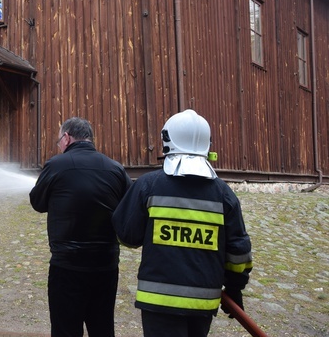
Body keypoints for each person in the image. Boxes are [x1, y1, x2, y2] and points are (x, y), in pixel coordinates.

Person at [112, 109, 253, 337]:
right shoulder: (224, 195)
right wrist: (235, 287)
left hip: (158, 302)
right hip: (202, 305)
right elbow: (239, 252)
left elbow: (127, 235)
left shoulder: (148, 185)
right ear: (207, 145)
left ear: (167, 140)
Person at [29, 117, 132, 337]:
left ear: (66, 138)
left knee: (65, 330)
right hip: (106, 267)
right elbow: (129, 211)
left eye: (59, 141)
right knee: (103, 328)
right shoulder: (115, 169)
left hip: (67, 267)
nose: (59, 146)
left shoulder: (56, 165)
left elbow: (37, 203)